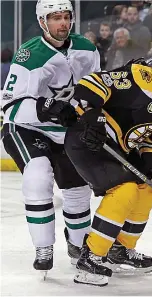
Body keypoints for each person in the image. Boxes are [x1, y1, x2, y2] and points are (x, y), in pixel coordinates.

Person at [63, 51, 152, 286]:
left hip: (118, 151)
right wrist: (93, 115)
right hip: (88, 140)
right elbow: (90, 83)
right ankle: (91, 257)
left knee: (148, 188)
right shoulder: (138, 77)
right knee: (125, 190)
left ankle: (120, 249)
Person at [1, 0, 99, 276]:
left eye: (66, 17)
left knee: (79, 191)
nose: (62, 23)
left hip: (65, 131)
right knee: (37, 176)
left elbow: (95, 89)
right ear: (43, 22)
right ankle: (43, 247)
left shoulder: (87, 49)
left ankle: (79, 247)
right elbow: (10, 106)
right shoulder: (28, 56)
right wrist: (46, 109)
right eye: (55, 18)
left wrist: (92, 113)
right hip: (26, 128)